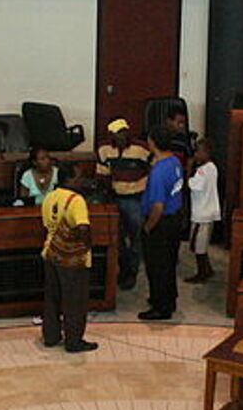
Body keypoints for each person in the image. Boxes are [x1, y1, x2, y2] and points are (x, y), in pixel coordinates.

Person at [40, 171, 98, 353]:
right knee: (74, 301)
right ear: (69, 179)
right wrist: (87, 246)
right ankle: (74, 341)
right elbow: (82, 227)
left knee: (52, 298)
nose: (81, 180)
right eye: (78, 176)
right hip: (71, 260)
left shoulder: (49, 196)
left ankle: (51, 336)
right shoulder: (76, 200)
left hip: (50, 253)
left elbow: (46, 224)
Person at [96, 119, 151, 290]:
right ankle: (124, 269)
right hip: (115, 198)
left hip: (136, 198)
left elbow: (154, 170)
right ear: (111, 135)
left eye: (123, 132)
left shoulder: (141, 149)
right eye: (116, 134)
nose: (121, 136)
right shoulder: (104, 149)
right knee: (117, 238)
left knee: (136, 237)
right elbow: (102, 176)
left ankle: (132, 271)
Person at [138, 128, 186, 321]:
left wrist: (148, 227)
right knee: (169, 262)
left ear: (153, 143)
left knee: (157, 265)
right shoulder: (174, 161)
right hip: (175, 219)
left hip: (161, 222)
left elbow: (158, 206)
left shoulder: (158, 171)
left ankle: (161, 307)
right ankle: (168, 298)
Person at [184, 140, 220, 284]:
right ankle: (207, 269)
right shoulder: (212, 167)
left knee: (199, 246)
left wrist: (188, 170)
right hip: (207, 211)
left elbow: (192, 185)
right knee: (201, 245)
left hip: (202, 214)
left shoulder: (202, 170)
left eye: (198, 151)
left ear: (206, 152)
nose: (196, 155)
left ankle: (202, 273)